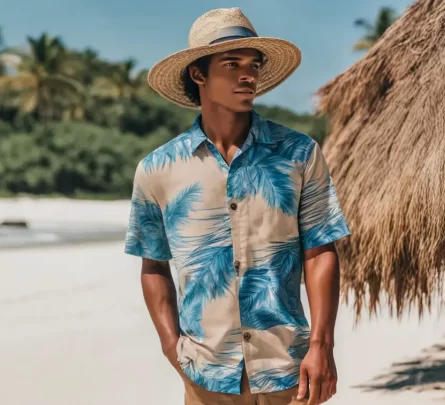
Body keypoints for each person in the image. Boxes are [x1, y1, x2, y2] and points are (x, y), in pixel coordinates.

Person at [124, 8, 351, 405]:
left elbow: (320, 250)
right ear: (199, 73)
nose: (249, 75)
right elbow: (153, 264)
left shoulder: (298, 154)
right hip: (204, 374)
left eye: (254, 64)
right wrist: (170, 346)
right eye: (232, 64)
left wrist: (321, 345)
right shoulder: (157, 169)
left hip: (287, 369)